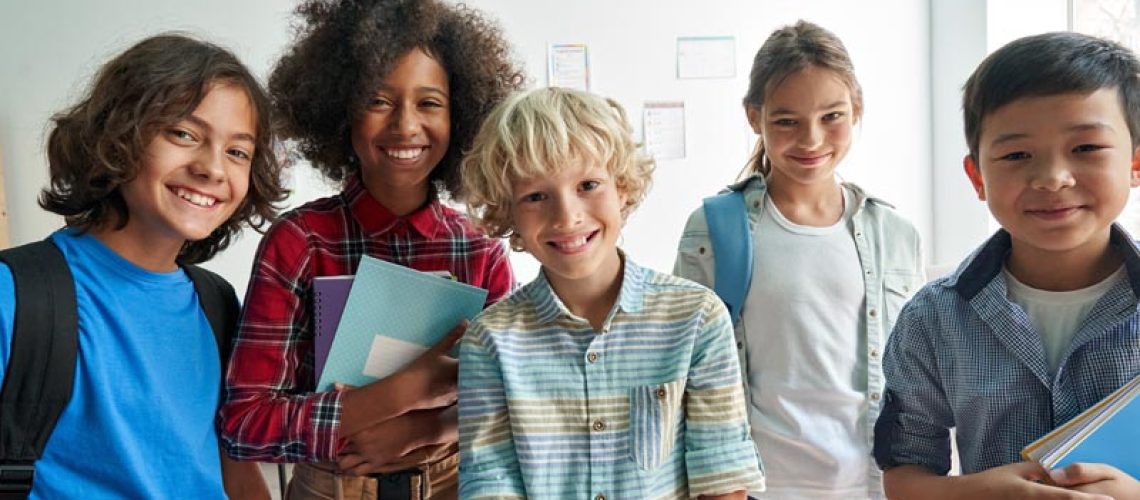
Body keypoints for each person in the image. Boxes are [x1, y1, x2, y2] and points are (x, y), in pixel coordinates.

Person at [217, 0, 524, 498]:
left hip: (454, 483)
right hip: (330, 487)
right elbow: (245, 423)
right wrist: (399, 394)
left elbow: (511, 400)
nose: (405, 126)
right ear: (341, 113)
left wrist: (427, 429)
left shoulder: (480, 250)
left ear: (461, 116)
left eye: (429, 103)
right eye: (379, 101)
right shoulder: (299, 242)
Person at [0, 33, 285, 498]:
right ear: (118, 134)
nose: (213, 168)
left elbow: (234, 470)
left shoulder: (218, 304)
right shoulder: (15, 296)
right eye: (183, 134)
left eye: (238, 151)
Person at [458, 87, 764, 499]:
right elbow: (490, 486)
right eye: (535, 196)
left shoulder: (697, 318)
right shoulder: (489, 341)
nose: (567, 216)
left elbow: (722, 481)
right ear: (507, 211)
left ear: (622, 188)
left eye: (588, 184)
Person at [874, 31, 1140, 500]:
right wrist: (978, 492)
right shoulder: (934, 319)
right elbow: (904, 475)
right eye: (1017, 155)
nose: (1053, 178)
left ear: (1135, 162)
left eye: (1086, 149)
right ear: (977, 176)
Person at [674, 20, 924, 500]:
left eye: (832, 116)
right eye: (786, 121)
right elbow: (687, 369)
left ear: (857, 111)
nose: (811, 140)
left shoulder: (896, 234)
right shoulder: (712, 229)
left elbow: (916, 374)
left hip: (873, 481)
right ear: (754, 117)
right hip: (757, 484)